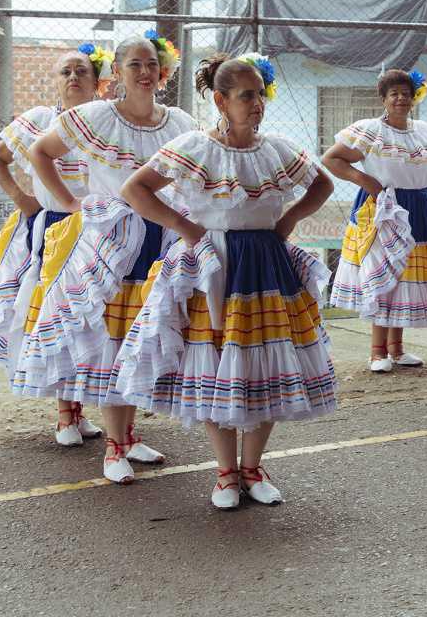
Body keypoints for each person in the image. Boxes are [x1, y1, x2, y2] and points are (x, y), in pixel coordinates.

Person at [114, 52, 338, 510]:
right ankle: (224, 474)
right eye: (245, 96)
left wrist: (288, 220)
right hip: (212, 264)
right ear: (220, 99)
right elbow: (134, 189)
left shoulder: (276, 148)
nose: (256, 104)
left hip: (265, 265)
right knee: (214, 362)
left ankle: (253, 469)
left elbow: (322, 185)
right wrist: (189, 230)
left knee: (265, 363)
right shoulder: (195, 148)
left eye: (260, 95)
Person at [13, 31, 198, 483]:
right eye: (133, 64)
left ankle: (129, 436)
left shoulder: (179, 123)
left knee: (142, 337)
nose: (144, 72)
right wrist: (70, 203)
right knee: (113, 341)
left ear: (164, 71)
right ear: (116, 73)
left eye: (151, 63)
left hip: (159, 239)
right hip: (111, 243)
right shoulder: (95, 116)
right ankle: (113, 447)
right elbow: (41, 152)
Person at [0, 44, 104, 447]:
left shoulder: (105, 124)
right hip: (55, 233)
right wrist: (23, 200)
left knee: (90, 319)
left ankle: (79, 408)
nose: (73, 78)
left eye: (81, 71)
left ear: (98, 82)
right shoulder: (40, 121)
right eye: (65, 72)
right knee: (58, 317)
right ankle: (65, 415)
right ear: (56, 81)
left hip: (98, 231)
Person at [323, 69, 427, 372]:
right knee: (384, 273)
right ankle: (376, 352)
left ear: (413, 98)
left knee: (405, 275)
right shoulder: (370, 130)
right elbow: (331, 159)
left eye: (405, 93)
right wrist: (366, 181)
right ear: (383, 99)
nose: (400, 98)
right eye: (393, 93)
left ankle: (397, 350)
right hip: (384, 209)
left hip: (418, 210)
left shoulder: (422, 130)